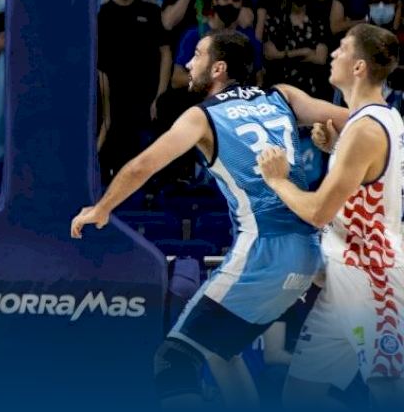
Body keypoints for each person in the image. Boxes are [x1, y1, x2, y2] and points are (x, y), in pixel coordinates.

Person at [70, 31, 347, 409]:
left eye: (197, 55)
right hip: (310, 250)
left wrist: (101, 208)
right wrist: (332, 143)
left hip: (264, 251)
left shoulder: (202, 116)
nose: (188, 63)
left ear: (218, 68)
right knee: (220, 350)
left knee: (174, 359)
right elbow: (357, 121)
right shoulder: (282, 95)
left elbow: (142, 166)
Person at [258, 24, 404, 407]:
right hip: (343, 277)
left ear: (358, 67)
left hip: (373, 278)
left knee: (388, 393)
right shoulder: (377, 119)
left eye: (341, 48)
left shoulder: (366, 129)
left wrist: (277, 180)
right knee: (300, 395)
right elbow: (372, 179)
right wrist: (337, 147)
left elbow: (318, 210)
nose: (333, 54)